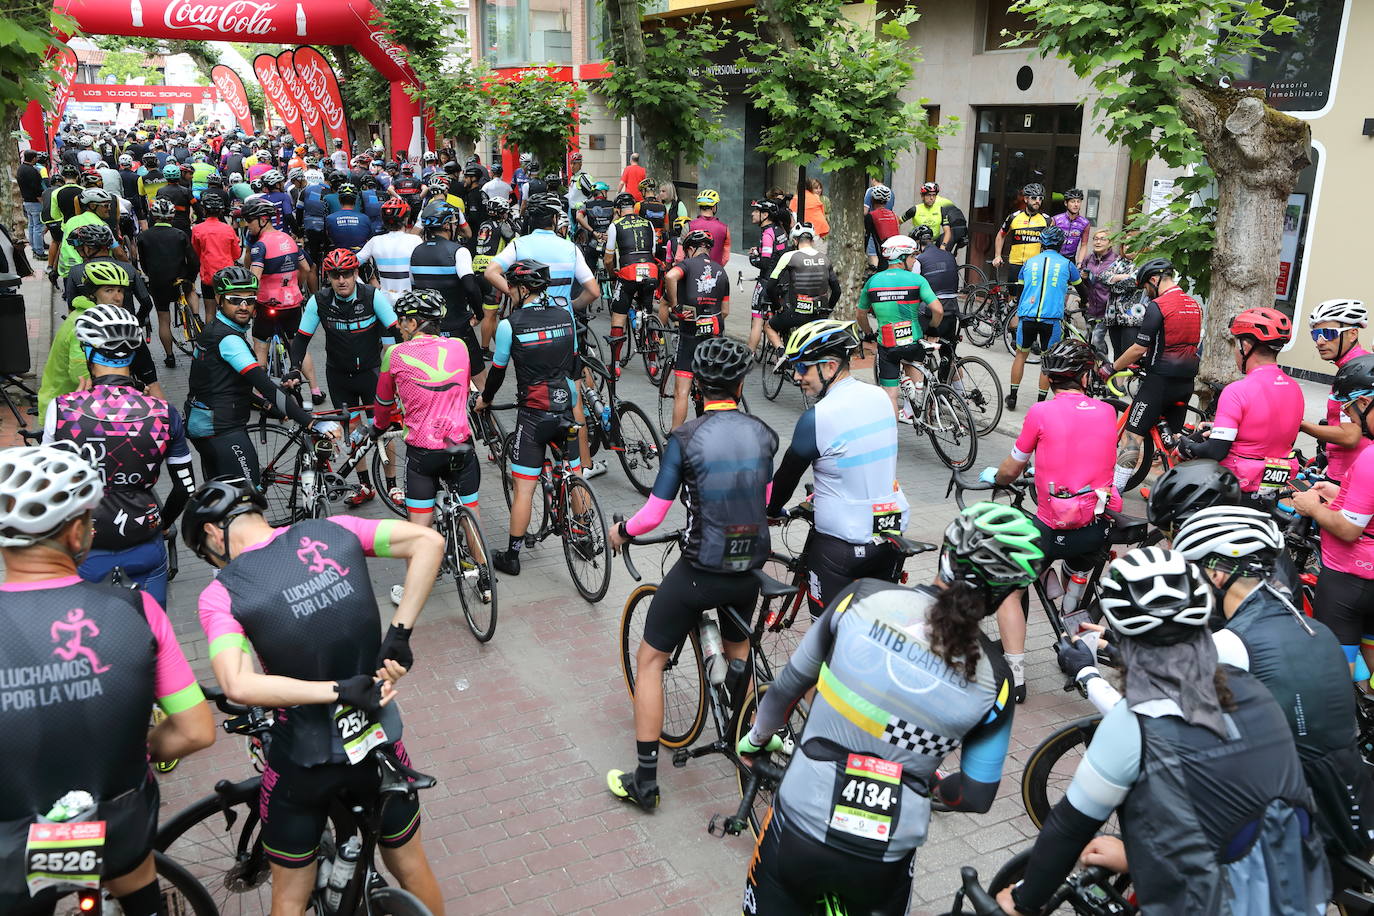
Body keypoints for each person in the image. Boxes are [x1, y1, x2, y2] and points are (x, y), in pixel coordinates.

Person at [739, 503, 1043, 915]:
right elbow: (975, 795)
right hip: (885, 853)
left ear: (945, 556)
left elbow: (787, 688)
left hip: (800, 825)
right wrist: (932, 788)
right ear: (1005, 594)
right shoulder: (996, 678)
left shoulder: (863, 597)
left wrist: (757, 739)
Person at [998, 548, 1331, 915]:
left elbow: (1066, 832)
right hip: (1301, 889)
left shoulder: (1132, 723)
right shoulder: (1251, 686)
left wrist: (1021, 902)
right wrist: (1135, 858)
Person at [184, 477, 446, 916]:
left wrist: (335, 691)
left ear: (213, 533)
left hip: (302, 758)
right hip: (379, 738)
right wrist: (398, 635)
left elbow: (238, 685)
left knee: (288, 895)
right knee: (413, 866)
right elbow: (428, 540)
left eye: (208, 554)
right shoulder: (337, 529)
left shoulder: (221, 595)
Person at [0, 443, 214, 916]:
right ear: (78, 533)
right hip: (115, 827)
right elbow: (196, 730)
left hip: (12, 844)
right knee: (136, 883)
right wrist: (134, 751)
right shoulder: (135, 610)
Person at [606, 337, 777, 810]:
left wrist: (622, 530)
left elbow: (654, 515)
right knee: (737, 650)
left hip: (704, 567)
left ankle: (645, 781)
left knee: (650, 661)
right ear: (741, 384)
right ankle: (743, 730)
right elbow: (762, 502)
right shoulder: (764, 432)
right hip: (752, 564)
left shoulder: (685, 439)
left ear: (698, 386)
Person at [1167, 507, 1374, 864]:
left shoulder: (1233, 644)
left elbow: (1156, 719)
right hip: (1353, 805)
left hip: (1296, 826)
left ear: (1216, 574)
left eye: (1193, 572)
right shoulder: (1314, 628)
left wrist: (1090, 677)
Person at [982, 339, 1121, 702]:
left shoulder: (1040, 414)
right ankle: (1072, 620)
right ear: (1085, 375)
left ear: (1049, 377)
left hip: (1051, 528)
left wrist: (995, 478)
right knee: (1079, 566)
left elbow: (1012, 469)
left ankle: (1016, 675)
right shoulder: (1107, 411)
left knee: (1011, 582)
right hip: (1095, 527)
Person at [42, 307, 196, 606]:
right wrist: (162, 523)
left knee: (89, 639)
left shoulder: (62, 410)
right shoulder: (164, 412)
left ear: (88, 350)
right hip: (144, 540)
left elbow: (49, 486)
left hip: (86, 546)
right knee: (153, 638)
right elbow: (186, 488)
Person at [769, 319, 912, 615]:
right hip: (889, 535)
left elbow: (786, 477)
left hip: (841, 546)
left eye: (803, 367)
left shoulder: (818, 417)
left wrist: (771, 511)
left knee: (827, 641)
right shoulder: (882, 398)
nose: (797, 377)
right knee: (874, 627)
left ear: (830, 367)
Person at [373, 288, 490, 601]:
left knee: (419, 527)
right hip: (461, 445)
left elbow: (383, 403)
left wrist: (380, 427)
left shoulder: (393, 355)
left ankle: (413, 588)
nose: (397, 325)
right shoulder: (460, 346)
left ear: (414, 323)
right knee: (471, 509)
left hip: (423, 452)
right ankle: (485, 578)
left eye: (402, 320)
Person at [475, 260, 584, 575]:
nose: (508, 290)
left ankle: (512, 556)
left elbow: (497, 372)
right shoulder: (566, 316)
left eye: (511, 285)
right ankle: (585, 535)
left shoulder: (510, 324)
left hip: (534, 415)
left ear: (522, 288)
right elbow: (576, 364)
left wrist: (486, 399)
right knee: (573, 474)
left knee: (525, 488)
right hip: (566, 407)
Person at [186, 266, 323, 481]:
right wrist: (309, 422)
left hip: (206, 423)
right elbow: (264, 385)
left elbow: (224, 385)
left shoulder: (216, 329)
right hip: (221, 427)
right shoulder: (228, 339)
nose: (243, 306)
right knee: (250, 494)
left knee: (221, 495)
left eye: (249, 300)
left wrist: (268, 406)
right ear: (220, 299)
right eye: (235, 299)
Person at [290, 248, 400, 506]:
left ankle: (393, 486)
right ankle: (364, 485)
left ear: (355, 273)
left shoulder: (372, 296)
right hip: (339, 375)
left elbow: (396, 333)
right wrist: (295, 368)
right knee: (352, 429)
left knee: (386, 429)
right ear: (328, 276)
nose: (341, 280)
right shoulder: (319, 301)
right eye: (335, 275)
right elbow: (301, 340)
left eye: (347, 274)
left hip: (372, 373)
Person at [1177, 308, 1303, 505]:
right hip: (1272, 488)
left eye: (1236, 345)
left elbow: (1216, 451)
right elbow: (1274, 434)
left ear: (1245, 346)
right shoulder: (1294, 388)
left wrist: (1188, 445)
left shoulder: (1237, 390)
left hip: (1235, 489)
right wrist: (1217, 429)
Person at [1111, 258, 1202, 492]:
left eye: (1145, 287)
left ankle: (1115, 491)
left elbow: (1139, 347)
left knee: (1132, 437)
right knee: (1171, 445)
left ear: (1154, 279)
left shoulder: (1159, 305)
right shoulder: (1193, 305)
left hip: (1159, 382)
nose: (1146, 293)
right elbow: (1175, 341)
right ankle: (1173, 493)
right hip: (1185, 383)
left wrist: (1112, 367)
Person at [243, 198, 321, 401]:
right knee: (298, 347)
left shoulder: (259, 246)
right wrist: (297, 285)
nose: (246, 224)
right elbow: (306, 267)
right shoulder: (289, 239)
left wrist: (248, 302)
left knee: (260, 346)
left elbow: (254, 279)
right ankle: (315, 390)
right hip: (293, 303)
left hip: (267, 303)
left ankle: (260, 393)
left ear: (262, 220)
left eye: (249, 220)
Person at [854, 235, 940, 417]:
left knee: (890, 396)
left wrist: (869, 333)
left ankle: (893, 436)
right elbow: (938, 310)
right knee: (915, 373)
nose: (914, 260)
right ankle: (918, 408)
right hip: (913, 341)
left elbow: (860, 314)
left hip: (888, 344)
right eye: (912, 256)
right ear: (902, 258)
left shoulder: (873, 281)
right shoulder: (917, 280)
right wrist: (932, 328)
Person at [1005, 225, 1082, 410]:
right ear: (1061, 244)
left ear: (1042, 242)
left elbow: (1020, 291)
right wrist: (1086, 303)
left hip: (1028, 316)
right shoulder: (1067, 264)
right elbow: (1082, 289)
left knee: (1020, 356)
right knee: (1048, 361)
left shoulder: (1029, 262)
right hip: (1051, 319)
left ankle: (1013, 397)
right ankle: (1040, 404)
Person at [660, 229, 729, 430]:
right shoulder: (721, 270)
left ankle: (675, 437)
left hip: (691, 333)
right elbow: (725, 311)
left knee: (682, 390)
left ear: (690, 248)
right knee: (710, 385)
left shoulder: (686, 265)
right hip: (715, 332)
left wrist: (675, 306)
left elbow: (671, 277)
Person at [409, 201, 485, 377]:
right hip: (457, 325)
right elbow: (470, 287)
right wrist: (479, 314)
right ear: (446, 224)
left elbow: (414, 288)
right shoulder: (459, 251)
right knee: (479, 378)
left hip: (427, 329)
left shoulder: (416, 252)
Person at [1301, 299, 1371, 484]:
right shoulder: (1354, 366)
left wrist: (1300, 424)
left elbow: (1350, 436)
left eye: (1329, 333)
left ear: (1352, 333)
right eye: (1316, 334)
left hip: (1349, 475)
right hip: (1342, 467)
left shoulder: (1358, 371)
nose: (1320, 342)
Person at [763, 223, 840, 369]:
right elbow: (837, 291)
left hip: (798, 312)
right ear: (812, 240)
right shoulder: (825, 258)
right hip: (820, 313)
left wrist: (778, 307)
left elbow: (770, 286)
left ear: (795, 241)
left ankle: (782, 353)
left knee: (769, 326)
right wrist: (827, 310)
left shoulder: (789, 256)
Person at [137, 198, 199, 368]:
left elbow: (143, 262)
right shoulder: (180, 234)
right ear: (172, 216)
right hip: (180, 280)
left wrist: (151, 275)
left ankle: (170, 356)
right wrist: (191, 278)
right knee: (191, 290)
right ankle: (196, 317)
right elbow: (193, 260)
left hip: (159, 283)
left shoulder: (143, 236)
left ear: (153, 216)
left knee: (163, 319)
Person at [604, 192, 660, 367]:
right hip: (650, 270)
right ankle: (652, 362)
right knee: (648, 311)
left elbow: (607, 259)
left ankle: (615, 363)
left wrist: (613, 274)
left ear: (618, 210)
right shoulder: (648, 223)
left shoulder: (615, 225)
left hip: (628, 271)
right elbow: (653, 252)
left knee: (618, 314)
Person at [190, 190, 241, 323]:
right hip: (228, 277)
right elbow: (236, 254)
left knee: (210, 312)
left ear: (204, 210)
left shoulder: (197, 229)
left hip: (208, 276)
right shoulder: (228, 228)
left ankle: (210, 342)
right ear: (220, 211)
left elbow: (196, 252)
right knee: (229, 311)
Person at [990, 182, 1049, 294]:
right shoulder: (1014, 217)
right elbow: (1001, 235)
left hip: (1035, 266)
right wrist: (997, 255)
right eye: (1034, 198)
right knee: (1013, 297)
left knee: (1031, 298)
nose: (1037, 201)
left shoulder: (1047, 220)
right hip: (1015, 264)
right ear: (1026, 199)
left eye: (1040, 198)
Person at [747, 198, 789, 354]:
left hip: (767, 281)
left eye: (756, 211)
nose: (752, 214)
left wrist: (753, 259)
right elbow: (776, 252)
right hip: (783, 281)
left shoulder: (767, 233)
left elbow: (765, 262)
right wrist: (759, 249)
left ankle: (749, 355)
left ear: (765, 214)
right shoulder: (780, 230)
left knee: (757, 320)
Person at [357, 197, 422, 294]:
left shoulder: (375, 241)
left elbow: (348, 265)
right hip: (409, 300)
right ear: (406, 219)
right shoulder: (415, 240)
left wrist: (364, 288)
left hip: (384, 299)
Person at [1079, 228, 1123, 356]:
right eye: (1096, 239)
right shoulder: (1088, 258)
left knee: (1096, 338)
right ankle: (1095, 367)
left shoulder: (1116, 260)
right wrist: (1083, 277)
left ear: (1110, 243)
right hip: (1091, 307)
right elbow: (1082, 281)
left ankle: (1104, 367)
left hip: (1106, 308)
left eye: (1102, 239)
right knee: (1090, 340)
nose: (1098, 242)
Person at [903, 180, 952, 250]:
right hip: (918, 245)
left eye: (934, 195)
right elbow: (898, 222)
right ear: (922, 196)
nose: (932, 198)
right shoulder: (914, 209)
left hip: (934, 245)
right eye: (929, 195)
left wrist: (943, 245)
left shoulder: (941, 210)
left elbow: (947, 231)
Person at [688, 189, 731, 265]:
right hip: (715, 272)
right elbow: (726, 257)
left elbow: (679, 256)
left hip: (693, 273)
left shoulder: (688, 226)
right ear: (714, 207)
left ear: (699, 206)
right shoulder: (725, 228)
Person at [18, 149, 48, 258]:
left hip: (26, 201)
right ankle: (39, 251)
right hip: (35, 202)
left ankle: (34, 247)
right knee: (38, 228)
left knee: (32, 225)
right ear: (34, 158)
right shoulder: (33, 171)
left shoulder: (20, 169)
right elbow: (37, 189)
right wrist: (42, 202)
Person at [1050, 188, 1091, 266]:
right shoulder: (1056, 219)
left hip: (1071, 259)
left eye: (1078, 201)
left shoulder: (1085, 223)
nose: (1076, 204)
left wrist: (1080, 263)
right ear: (1066, 203)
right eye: (1072, 201)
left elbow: (1084, 245)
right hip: (1055, 258)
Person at [864, 184, 901, 267]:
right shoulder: (894, 215)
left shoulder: (871, 216)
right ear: (887, 201)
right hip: (897, 253)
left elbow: (866, 237)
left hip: (883, 255)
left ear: (872, 199)